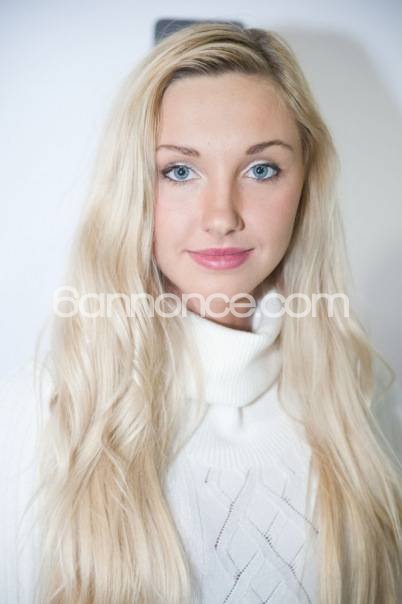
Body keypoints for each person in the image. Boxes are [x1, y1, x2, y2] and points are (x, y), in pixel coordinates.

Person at [1, 22, 401, 604]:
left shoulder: (359, 406)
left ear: (305, 186)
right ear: (133, 186)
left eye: (261, 169)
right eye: (180, 171)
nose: (221, 216)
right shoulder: (42, 416)